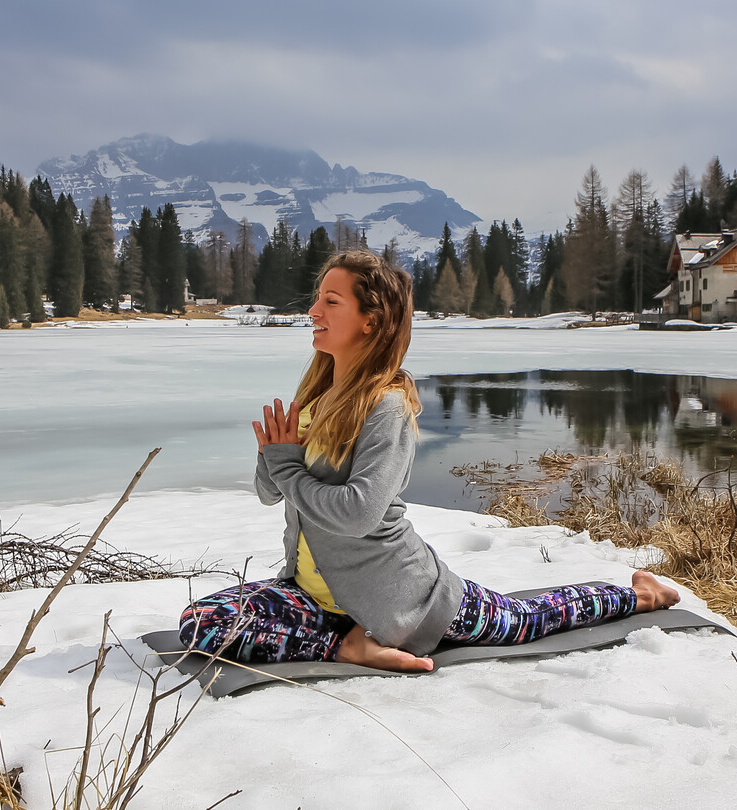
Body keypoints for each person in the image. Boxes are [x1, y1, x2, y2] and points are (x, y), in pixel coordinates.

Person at [178, 249, 680, 673]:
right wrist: (274, 455)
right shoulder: (317, 395)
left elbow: (358, 513)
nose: (313, 312)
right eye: (317, 300)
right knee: (202, 621)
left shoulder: (386, 405)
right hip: (316, 597)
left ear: (370, 321)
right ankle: (343, 645)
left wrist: (286, 466)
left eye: (331, 302)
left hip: (403, 599)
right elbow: (271, 494)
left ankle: (641, 596)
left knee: (525, 619)